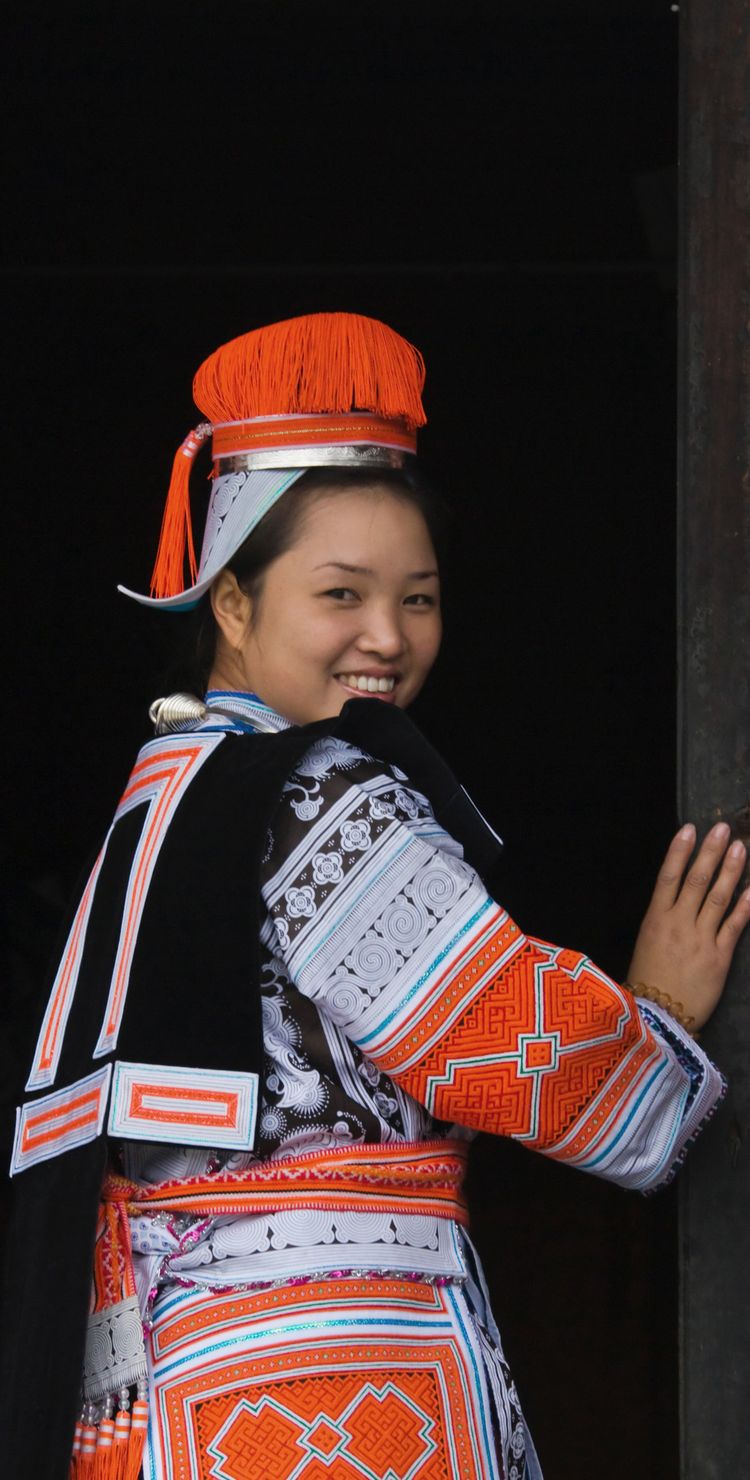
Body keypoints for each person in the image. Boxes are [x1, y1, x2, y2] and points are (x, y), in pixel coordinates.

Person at [3, 312, 747, 1480]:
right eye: (341, 594)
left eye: (420, 598)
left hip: (179, 1376)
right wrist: (657, 1012)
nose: (387, 638)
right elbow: (500, 1036)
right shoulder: (314, 789)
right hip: (327, 1374)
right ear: (232, 604)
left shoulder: (167, 786)